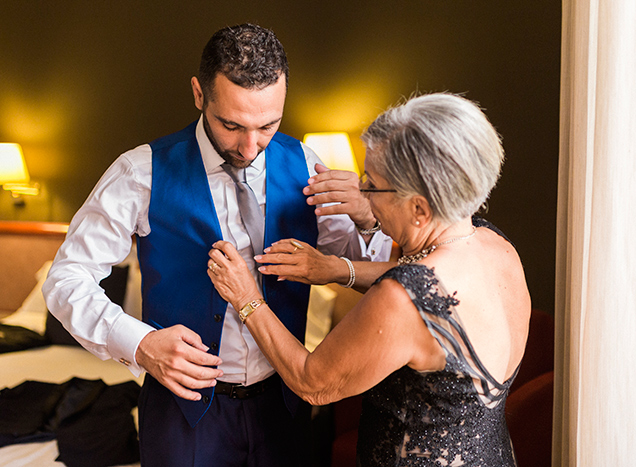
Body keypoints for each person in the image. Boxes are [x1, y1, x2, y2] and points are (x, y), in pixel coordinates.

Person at [42, 23, 392, 467]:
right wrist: (139, 344)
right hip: (181, 412)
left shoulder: (306, 164)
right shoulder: (140, 172)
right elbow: (66, 279)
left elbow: (362, 272)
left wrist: (367, 223)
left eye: (268, 125)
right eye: (232, 125)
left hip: (284, 405)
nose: (250, 147)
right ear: (198, 94)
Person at [208, 93, 532, 467]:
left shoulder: (401, 300)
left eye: (372, 186)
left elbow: (314, 383)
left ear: (419, 208)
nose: (362, 196)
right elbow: (435, 287)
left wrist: (247, 298)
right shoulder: (495, 246)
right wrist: (335, 268)